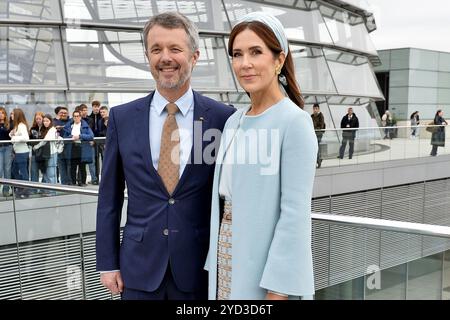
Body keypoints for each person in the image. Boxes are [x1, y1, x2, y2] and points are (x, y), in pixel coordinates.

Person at [96, 12, 234, 300]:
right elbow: (109, 197)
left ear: (194, 57)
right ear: (148, 57)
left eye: (175, 49)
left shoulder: (222, 118)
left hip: (199, 270)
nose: (165, 57)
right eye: (156, 49)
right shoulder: (122, 118)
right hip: (137, 268)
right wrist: (107, 263)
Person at [204, 12, 317, 300]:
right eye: (237, 54)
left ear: (279, 60)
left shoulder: (295, 122)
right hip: (226, 255)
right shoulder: (234, 121)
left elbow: (294, 215)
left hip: (265, 270)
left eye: (256, 52)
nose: (245, 64)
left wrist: (277, 291)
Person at [61, 110, 94, 186]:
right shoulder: (69, 126)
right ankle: (73, 182)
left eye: (77, 116)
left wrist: (80, 136)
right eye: (74, 116)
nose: (76, 118)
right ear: (73, 117)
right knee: (72, 166)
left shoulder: (85, 125)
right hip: (72, 147)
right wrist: (71, 137)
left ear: (80, 117)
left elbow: (91, 136)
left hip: (82, 147)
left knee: (82, 166)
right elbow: (65, 137)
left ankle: (82, 182)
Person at [9, 108, 30, 198]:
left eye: (13, 114)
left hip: (22, 152)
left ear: (17, 115)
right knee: (14, 171)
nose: (11, 116)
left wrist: (14, 138)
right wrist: (11, 134)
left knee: (23, 172)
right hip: (18, 153)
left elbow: (26, 138)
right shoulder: (17, 126)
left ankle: (25, 190)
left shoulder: (21, 125)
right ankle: (21, 188)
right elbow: (15, 135)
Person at [0, 106, 13, 197]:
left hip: (8, 148)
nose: (1, 115)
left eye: (2, 113)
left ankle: (6, 190)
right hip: (0, 148)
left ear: (5, 115)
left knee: (7, 169)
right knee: (0, 169)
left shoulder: (9, 124)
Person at [311, 103, 325, 168]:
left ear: (318, 109)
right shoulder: (312, 116)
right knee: (314, 148)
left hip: (319, 134)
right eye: (314, 109)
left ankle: (318, 161)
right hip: (313, 134)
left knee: (316, 147)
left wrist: (314, 128)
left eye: (316, 109)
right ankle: (318, 160)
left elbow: (321, 126)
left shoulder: (321, 116)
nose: (315, 110)